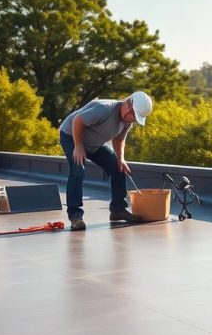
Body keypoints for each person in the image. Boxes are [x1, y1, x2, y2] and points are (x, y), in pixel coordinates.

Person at [59, 91, 153, 231]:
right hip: (71, 136)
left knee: (118, 167)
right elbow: (77, 120)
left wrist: (120, 158)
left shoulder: (127, 121)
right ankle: (75, 216)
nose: (133, 120)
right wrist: (78, 146)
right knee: (78, 170)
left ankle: (118, 210)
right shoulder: (104, 109)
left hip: (94, 143)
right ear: (128, 104)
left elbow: (119, 139)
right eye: (134, 115)